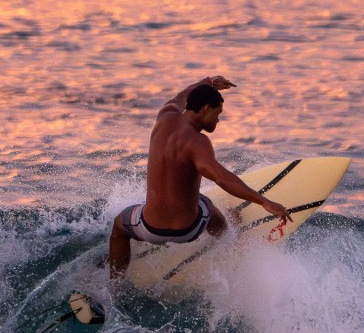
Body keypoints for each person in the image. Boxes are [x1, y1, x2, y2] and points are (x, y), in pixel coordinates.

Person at [109, 75, 292, 277]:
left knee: (119, 228)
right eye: (218, 113)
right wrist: (264, 202)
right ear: (206, 108)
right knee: (208, 206)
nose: (218, 120)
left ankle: (115, 284)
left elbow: (180, 96)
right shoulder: (198, 142)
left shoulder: (165, 115)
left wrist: (208, 82)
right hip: (187, 230)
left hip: (149, 228)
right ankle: (229, 242)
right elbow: (222, 178)